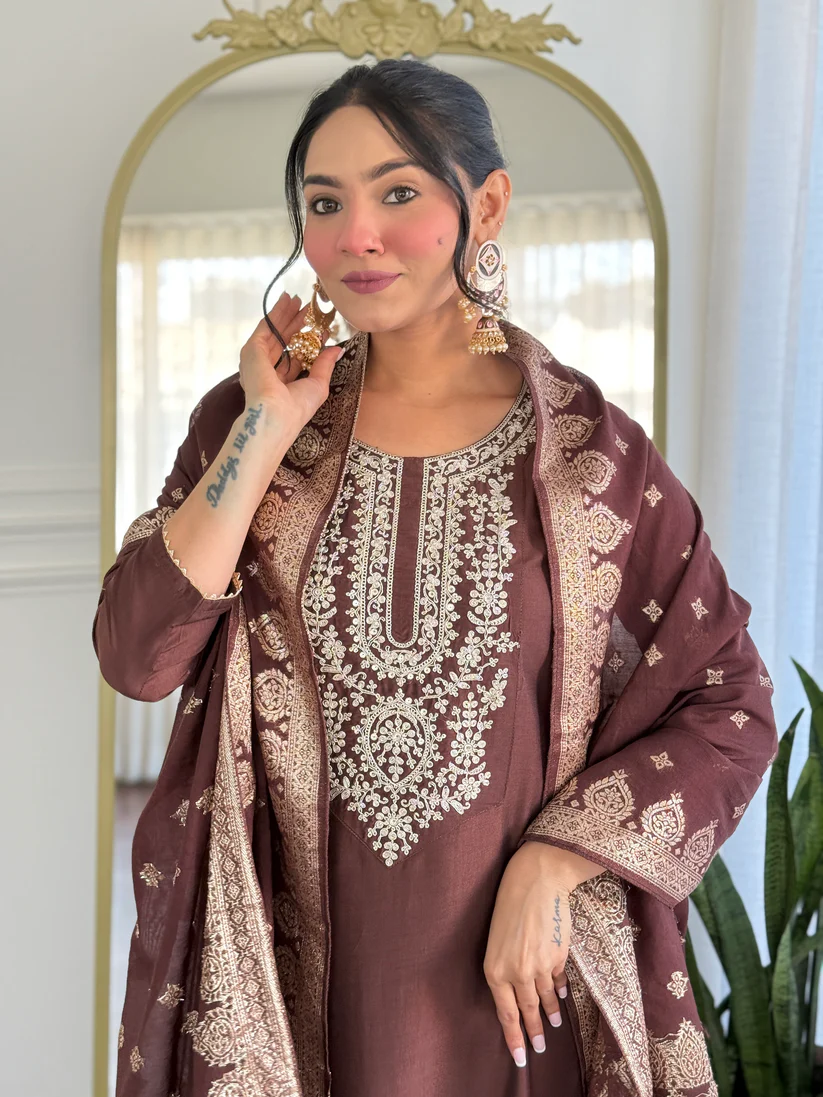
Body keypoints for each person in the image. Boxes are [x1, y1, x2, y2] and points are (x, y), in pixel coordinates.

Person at [93, 58, 778, 1097]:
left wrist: (560, 857)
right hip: (292, 1002)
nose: (356, 236)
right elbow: (137, 657)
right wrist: (267, 426)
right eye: (325, 203)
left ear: (484, 205)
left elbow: (729, 702)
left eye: (399, 192)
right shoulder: (246, 424)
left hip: (523, 1006)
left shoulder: (589, 458)